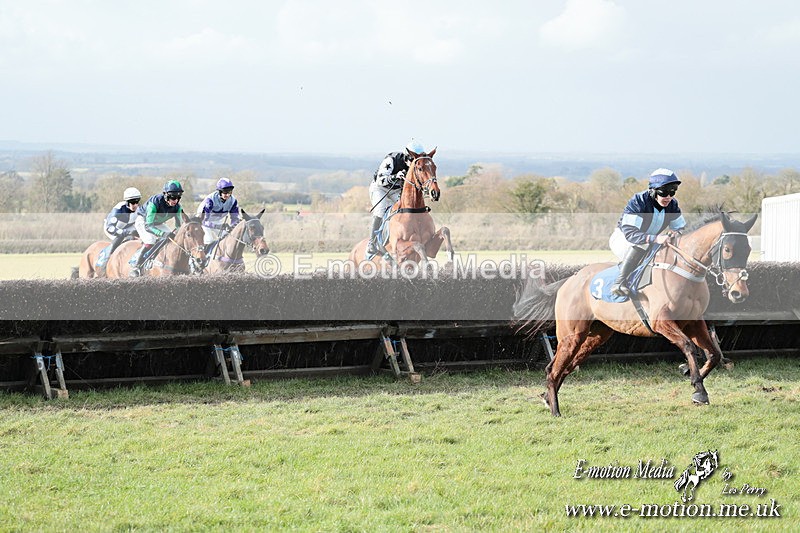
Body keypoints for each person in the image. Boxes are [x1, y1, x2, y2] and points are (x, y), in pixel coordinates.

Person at [608, 168, 687, 297]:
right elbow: (631, 233)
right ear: (653, 190)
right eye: (664, 192)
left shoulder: (672, 204)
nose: (668, 197)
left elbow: (681, 228)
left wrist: (675, 233)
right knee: (642, 245)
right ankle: (618, 282)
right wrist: (655, 239)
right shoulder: (639, 201)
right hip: (624, 239)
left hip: (650, 240)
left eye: (672, 192)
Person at [366, 139, 427, 255]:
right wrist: (394, 177)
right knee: (380, 210)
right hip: (380, 188)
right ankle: (372, 243)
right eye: (412, 159)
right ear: (407, 156)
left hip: (396, 190)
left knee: (404, 210)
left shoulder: (415, 166)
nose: (414, 163)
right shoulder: (392, 159)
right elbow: (380, 181)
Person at [129, 180, 185, 277]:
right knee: (151, 239)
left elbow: (178, 226)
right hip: (143, 221)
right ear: (166, 195)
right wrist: (162, 234)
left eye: (178, 197)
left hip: (158, 223)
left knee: (173, 239)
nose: (175, 200)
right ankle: (137, 266)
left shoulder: (177, 207)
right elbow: (148, 225)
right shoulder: (155, 202)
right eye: (173, 197)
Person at [196, 177, 240, 247]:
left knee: (227, 238)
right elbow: (204, 220)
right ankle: (204, 257)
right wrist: (217, 226)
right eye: (225, 192)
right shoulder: (210, 200)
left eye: (230, 192)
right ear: (219, 191)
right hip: (203, 221)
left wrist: (232, 227)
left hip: (217, 221)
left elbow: (235, 218)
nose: (228, 195)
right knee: (209, 240)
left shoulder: (233, 201)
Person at [103, 187, 141, 256]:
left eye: (137, 201)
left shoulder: (140, 209)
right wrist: (125, 233)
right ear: (127, 202)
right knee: (121, 237)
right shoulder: (118, 210)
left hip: (128, 227)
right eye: (132, 202)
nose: (135, 205)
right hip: (113, 228)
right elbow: (110, 228)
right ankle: (107, 257)